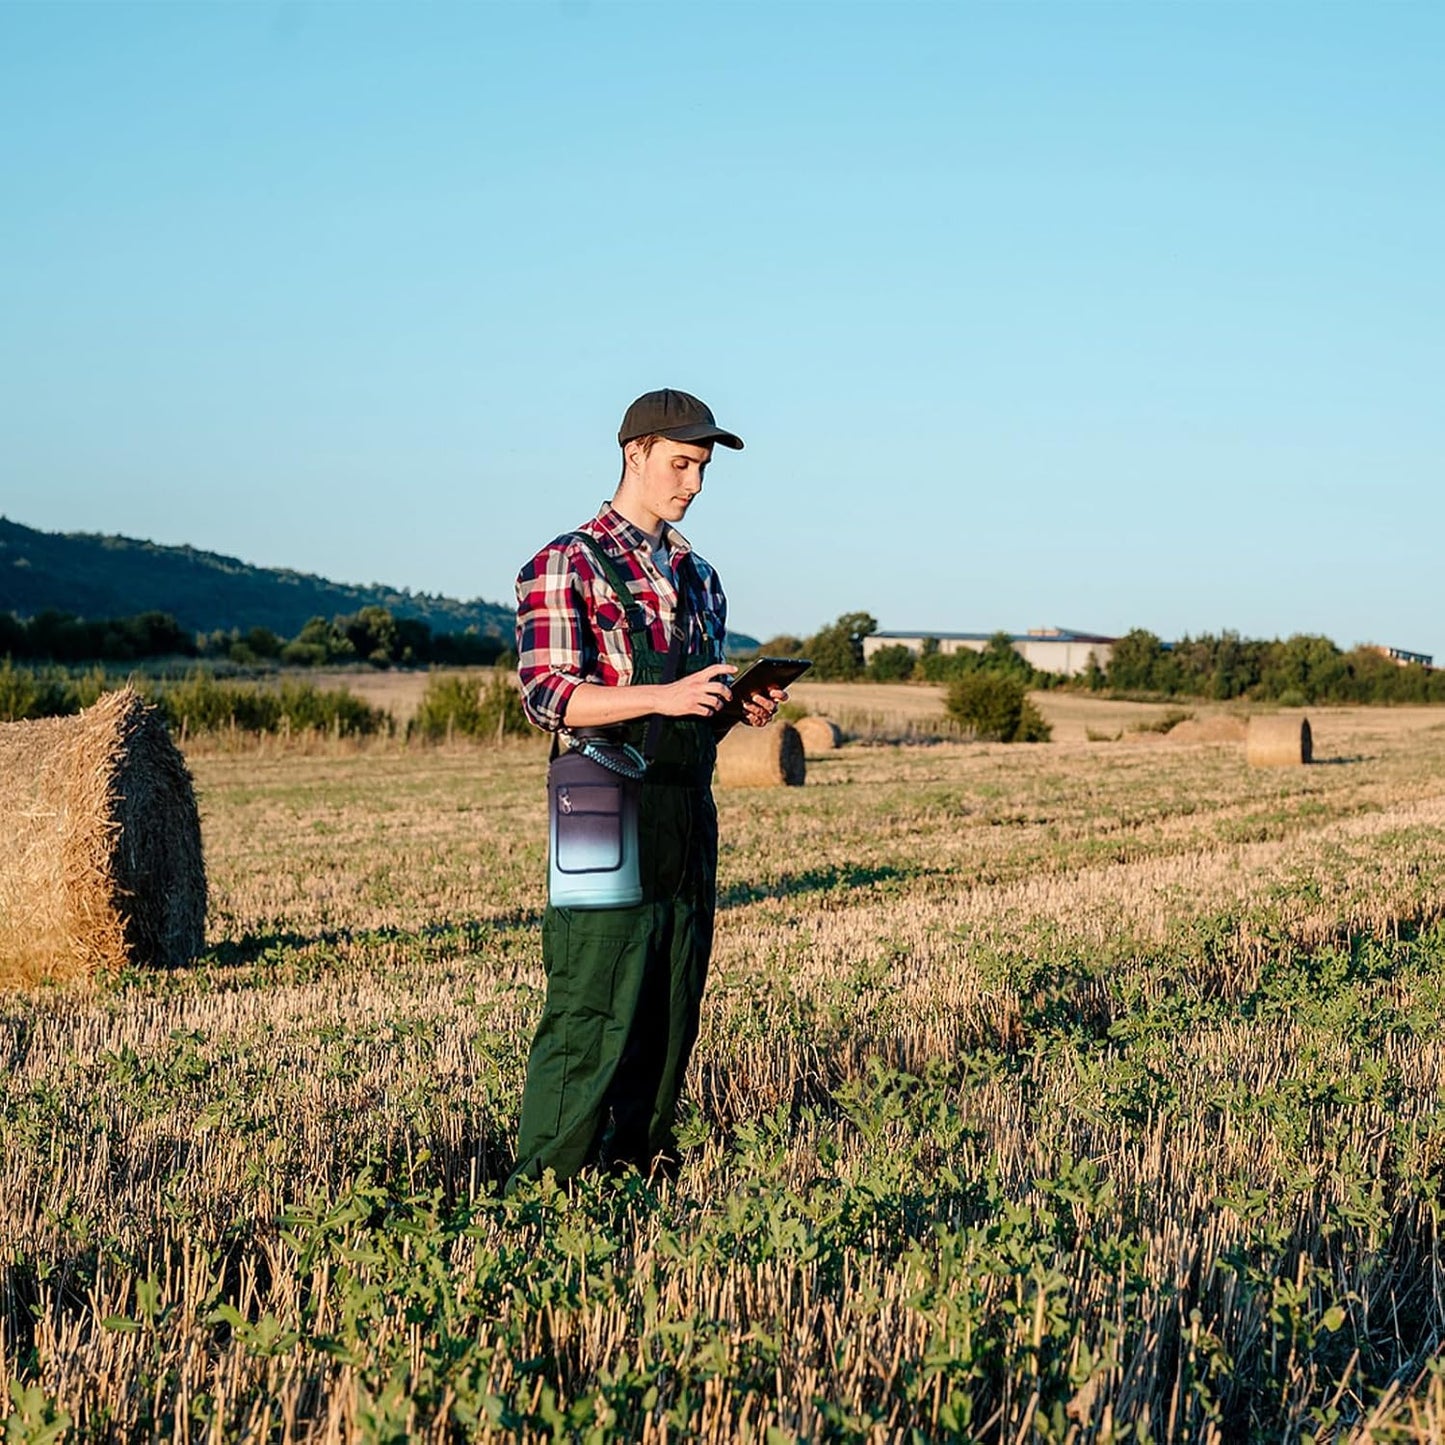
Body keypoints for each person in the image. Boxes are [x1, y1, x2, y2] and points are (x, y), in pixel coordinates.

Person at [509, 388, 785, 1186]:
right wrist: (663, 695)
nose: (693, 483)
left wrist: (729, 708)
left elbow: (684, 714)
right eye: (680, 464)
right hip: (598, 801)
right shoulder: (566, 563)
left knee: (670, 1000)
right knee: (591, 1002)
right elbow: (548, 695)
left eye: (701, 469)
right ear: (634, 453)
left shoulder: (701, 577)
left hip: (685, 804)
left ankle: (633, 1175)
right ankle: (542, 1190)